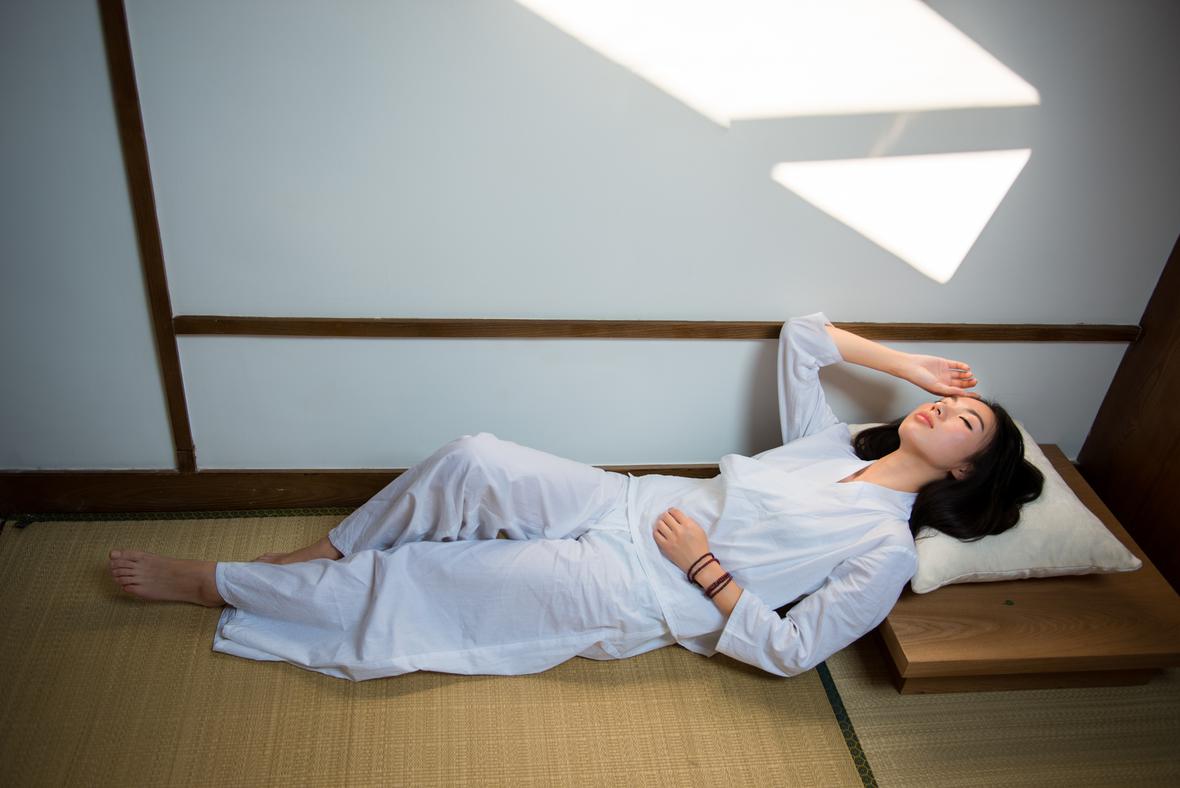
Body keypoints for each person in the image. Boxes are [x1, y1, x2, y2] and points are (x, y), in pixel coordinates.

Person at [107, 312, 1043, 681]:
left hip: (644, 589)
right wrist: (908, 364)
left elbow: (796, 652)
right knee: (473, 459)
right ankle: (332, 548)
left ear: (966, 472)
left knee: (436, 583)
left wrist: (707, 572)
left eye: (965, 421)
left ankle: (218, 585)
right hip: (620, 501)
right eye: (949, 398)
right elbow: (805, 335)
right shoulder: (829, 442)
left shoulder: (884, 548)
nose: (944, 408)